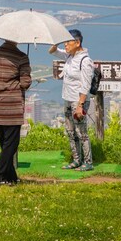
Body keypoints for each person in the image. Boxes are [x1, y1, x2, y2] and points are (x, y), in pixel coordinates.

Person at [0, 40, 32, 185]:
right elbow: (25, 83)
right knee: (12, 144)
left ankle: (11, 177)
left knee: (5, 143)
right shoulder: (21, 57)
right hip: (13, 107)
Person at [49, 28, 94, 171]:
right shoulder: (69, 56)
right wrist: (58, 39)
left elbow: (86, 85)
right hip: (67, 99)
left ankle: (88, 162)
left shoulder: (85, 61)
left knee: (82, 133)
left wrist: (80, 105)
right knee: (70, 131)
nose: (65, 46)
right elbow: (52, 51)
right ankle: (76, 160)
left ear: (77, 42)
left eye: (68, 43)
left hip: (78, 101)